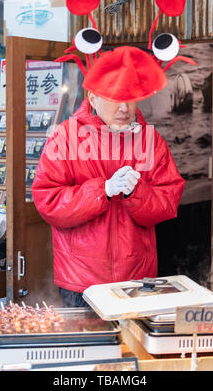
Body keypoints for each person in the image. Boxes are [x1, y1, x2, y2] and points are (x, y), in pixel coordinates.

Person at [32, 90, 185, 308]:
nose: (125, 108)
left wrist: (136, 193)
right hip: (81, 280)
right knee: (90, 341)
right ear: (93, 98)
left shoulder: (150, 140)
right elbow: (49, 201)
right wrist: (102, 190)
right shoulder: (65, 136)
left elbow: (167, 201)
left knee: (132, 342)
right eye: (116, 99)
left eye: (131, 98)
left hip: (138, 279)